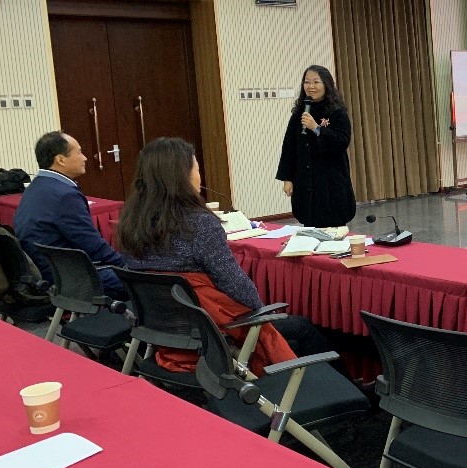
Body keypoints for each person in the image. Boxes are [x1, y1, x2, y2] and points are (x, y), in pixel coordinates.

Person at [118, 137, 331, 373]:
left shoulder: (130, 224)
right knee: (302, 327)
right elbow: (240, 289)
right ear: (182, 176)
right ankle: (341, 391)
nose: (200, 176)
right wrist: (262, 312)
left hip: (163, 333)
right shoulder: (200, 225)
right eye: (197, 168)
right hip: (212, 334)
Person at [13, 131, 126, 298]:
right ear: (60, 160)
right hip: (68, 277)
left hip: (45, 272)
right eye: (79, 152)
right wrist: (126, 266)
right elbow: (91, 244)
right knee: (145, 280)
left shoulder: (36, 186)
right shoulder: (65, 195)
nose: (85, 158)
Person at [276, 65, 356, 227]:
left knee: (333, 226)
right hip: (305, 180)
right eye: (307, 82)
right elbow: (289, 147)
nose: (311, 86)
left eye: (316, 82)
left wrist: (316, 128)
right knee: (310, 224)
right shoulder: (300, 112)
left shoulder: (337, 112)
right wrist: (287, 178)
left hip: (330, 180)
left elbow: (341, 141)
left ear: (326, 84)